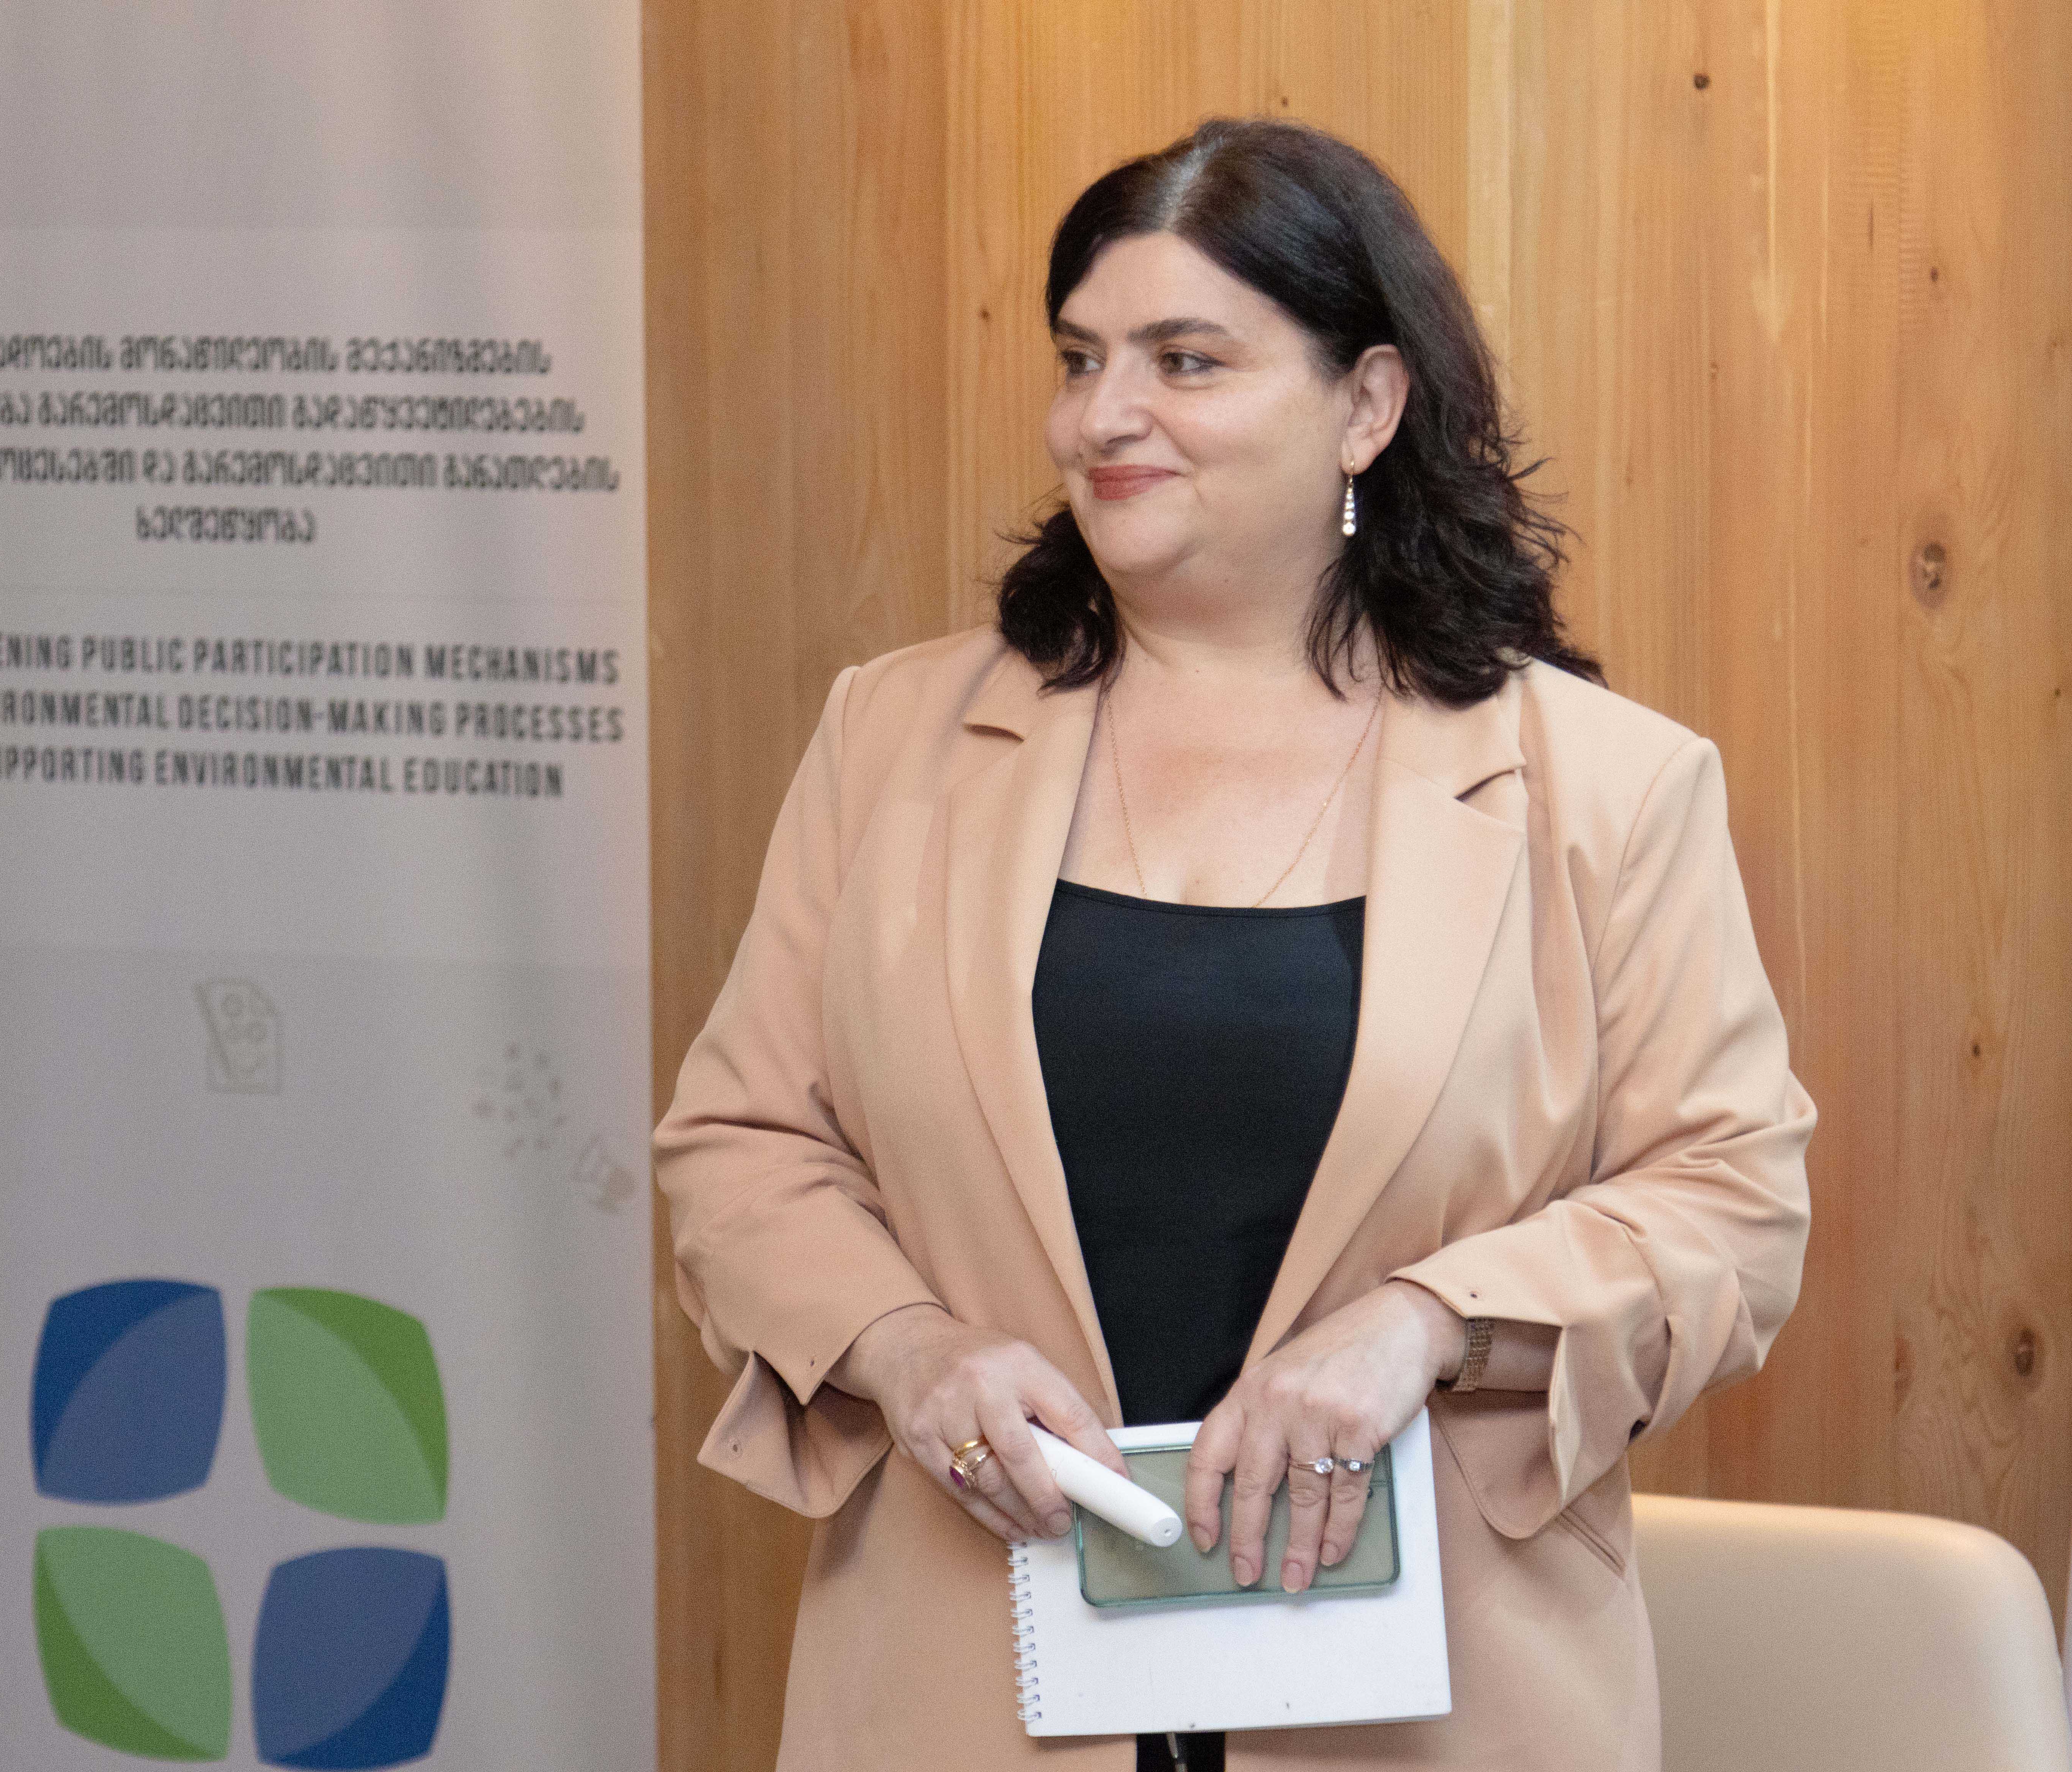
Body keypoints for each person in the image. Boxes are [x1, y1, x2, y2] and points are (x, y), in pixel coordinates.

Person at [655, 117, 1815, 1772]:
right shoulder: (890, 737)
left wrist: (1433, 1320)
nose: (1103, 415)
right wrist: (905, 1348)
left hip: (1437, 1710)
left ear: (1367, 404)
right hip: (959, 1680)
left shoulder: (1610, 786)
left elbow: (1731, 1204)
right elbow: (742, 1144)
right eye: (1081, 359)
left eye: (1185, 361)